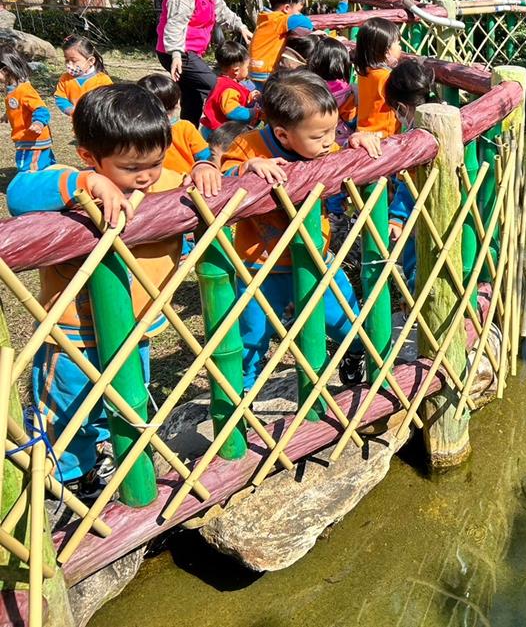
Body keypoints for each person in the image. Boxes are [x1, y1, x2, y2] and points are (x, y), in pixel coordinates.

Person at [7, 84, 222, 498]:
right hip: (75, 332)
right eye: (130, 167)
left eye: (156, 162)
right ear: (89, 156)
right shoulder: (72, 185)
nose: (145, 176)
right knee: (68, 408)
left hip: (136, 327)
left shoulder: (166, 184)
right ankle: (68, 475)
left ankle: (107, 456)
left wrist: (203, 167)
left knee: (126, 398)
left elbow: (209, 180)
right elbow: (18, 194)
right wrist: (86, 182)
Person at [219, 69, 381, 389]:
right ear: (282, 135)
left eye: (333, 130)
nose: (329, 141)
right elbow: (221, 179)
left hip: (317, 258)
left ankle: (354, 351)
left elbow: (342, 153)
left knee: (348, 322)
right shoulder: (249, 147)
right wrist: (247, 168)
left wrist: (355, 142)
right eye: (319, 136)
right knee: (252, 336)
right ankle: (245, 394)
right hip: (261, 267)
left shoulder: (323, 146)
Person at [155, 0, 253, 125]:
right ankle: (233, 123)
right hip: (178, 51)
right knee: (217, 86)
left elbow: (221, 11)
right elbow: (175, 22)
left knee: (193, 98)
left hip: (190, 52)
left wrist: (241, 27)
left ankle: (187, 135)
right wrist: (175, 54)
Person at [385, 59, 437, 288]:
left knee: (418, 265)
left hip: (420, 217)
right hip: (446, 213)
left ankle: (416, 298)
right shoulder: (452, 116)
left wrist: (397, 216)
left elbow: (408, 185)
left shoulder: (414, 142)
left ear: (401, 108)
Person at [137, 73, 216, 182]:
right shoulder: (185, 127)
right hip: (185, 183)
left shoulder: (137, 131)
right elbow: (206, 156)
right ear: (178, 103)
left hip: (153, 184)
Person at [249, 0, 315, 89]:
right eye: (298, 11)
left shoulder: (266, 17)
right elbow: (306, 23)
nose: (299, 14)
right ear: (287, 8)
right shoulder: (279, 20)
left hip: (255, 69)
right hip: (266, 71)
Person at [0, 47, 54, 172]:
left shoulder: (24, 90)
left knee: (28, 170)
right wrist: (6, 115)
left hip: (32, 141)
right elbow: (17, 106)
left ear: (6, 70)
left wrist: (38, 123)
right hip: (27, 140)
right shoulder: (12, 89)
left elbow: (41, 109)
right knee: (45, 169)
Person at [354, 17, 402, 137]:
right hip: (383, 135)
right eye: (398, 44)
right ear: (386, 52)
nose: (400, 48)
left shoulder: (365, 72)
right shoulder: (387, 77)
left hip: (364, 131)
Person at [200, 41, 258, 137]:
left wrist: (250, 97)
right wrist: (252, 113)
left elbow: (233, 100)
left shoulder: (223, 81)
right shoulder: (229, 89)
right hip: (219, 134)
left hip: (215, 129)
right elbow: (233, 111)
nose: (249, 69)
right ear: (236, 70)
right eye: (247, 67)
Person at [54, 36, 113, 117]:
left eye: (74, 60)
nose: (69, 64)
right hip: (77, 122)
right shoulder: (65, 79)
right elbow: (60, 98)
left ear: (91, 61)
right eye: (67, 60)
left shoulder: (103, 80)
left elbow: (110, 100)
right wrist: (71, 111)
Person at [308, 36, 356, 126]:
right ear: (342, 63)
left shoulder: (307, 83)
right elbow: (350, 117)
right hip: (338, 130)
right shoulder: (346, 89)